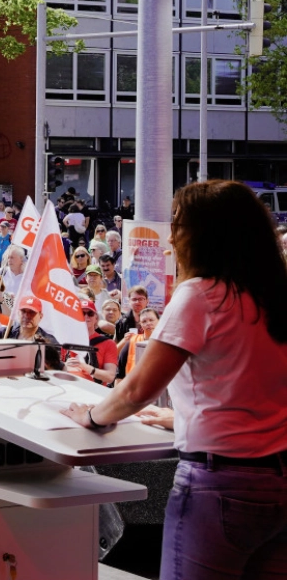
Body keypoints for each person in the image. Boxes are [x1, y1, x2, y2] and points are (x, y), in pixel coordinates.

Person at [60, 181, 287, 579]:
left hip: (220, 484)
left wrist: (92, 416)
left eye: (178, 224)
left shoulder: (200, 295)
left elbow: (137, 389)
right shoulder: (275, 296)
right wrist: (183, 417)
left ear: (206, 234)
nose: (170, 238)